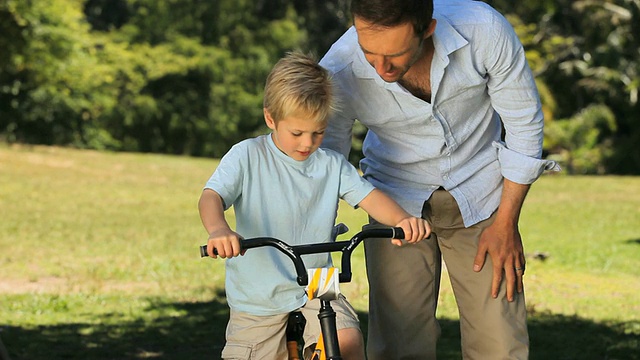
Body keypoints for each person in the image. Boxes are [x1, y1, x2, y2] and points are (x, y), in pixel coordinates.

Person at [319, 0, 561, 358]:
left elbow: (525, 125)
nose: (381, 68)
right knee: (398, 343)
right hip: (394, 202)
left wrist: (507, 223)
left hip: (482, 194)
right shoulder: (339, 69)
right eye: (369, 52)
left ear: (427, 29)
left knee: (500, 342)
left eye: (396, 55)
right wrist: (314, 253)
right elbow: (324, 166)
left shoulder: (484, 30)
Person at [198, 51, 431, 360]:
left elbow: (369, 197)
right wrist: (219, 230)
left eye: (318, 132)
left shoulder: (331, 164)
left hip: (319, 279)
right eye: (297, 133)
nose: (307, 143)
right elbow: (211, 196)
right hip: (259, 290)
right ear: (271, 118)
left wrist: (402, 219)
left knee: (345, 343)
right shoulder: (247, 156)